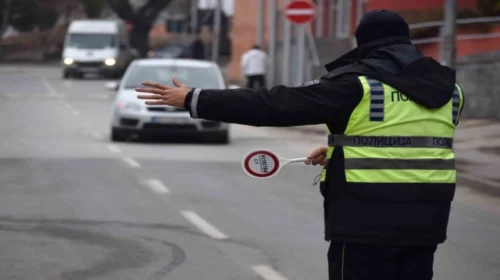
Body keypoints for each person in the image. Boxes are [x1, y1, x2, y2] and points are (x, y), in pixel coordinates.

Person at [136, 10, 465, 280]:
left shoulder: (356, 85)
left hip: (367, 220)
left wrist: (195, 98)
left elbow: (274, 104)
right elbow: (413, 142)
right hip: (428, 220)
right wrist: (338, 151)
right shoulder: (450, 90)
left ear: (363, 44)